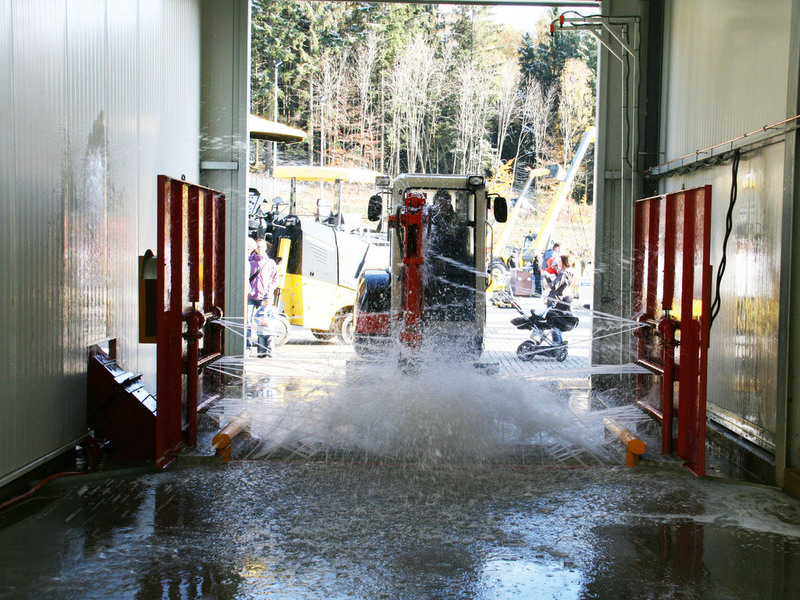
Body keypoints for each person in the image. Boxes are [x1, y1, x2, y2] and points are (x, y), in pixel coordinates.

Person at [248, 238, 279, 357]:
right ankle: (248, 347)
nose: (260, 249)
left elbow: (276, 279)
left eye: (262, 247)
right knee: (248, 322)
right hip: (250, 296)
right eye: (258, 246)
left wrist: (269, 290)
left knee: (264, 322)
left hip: (264, 296)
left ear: (265, 248)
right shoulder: (249, 261)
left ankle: (265, 350)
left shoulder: (270, 263)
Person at [546, 254, 575, 344]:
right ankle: (558, 342)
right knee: (555, 322)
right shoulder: (569, 272)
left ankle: (557, 342)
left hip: (555, 299)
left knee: (553, 323)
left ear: (564, 262)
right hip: (559, 299)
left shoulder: (563, 273)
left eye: (559, 261)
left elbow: (554, 286)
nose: (558, 262)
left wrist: (547, 276)